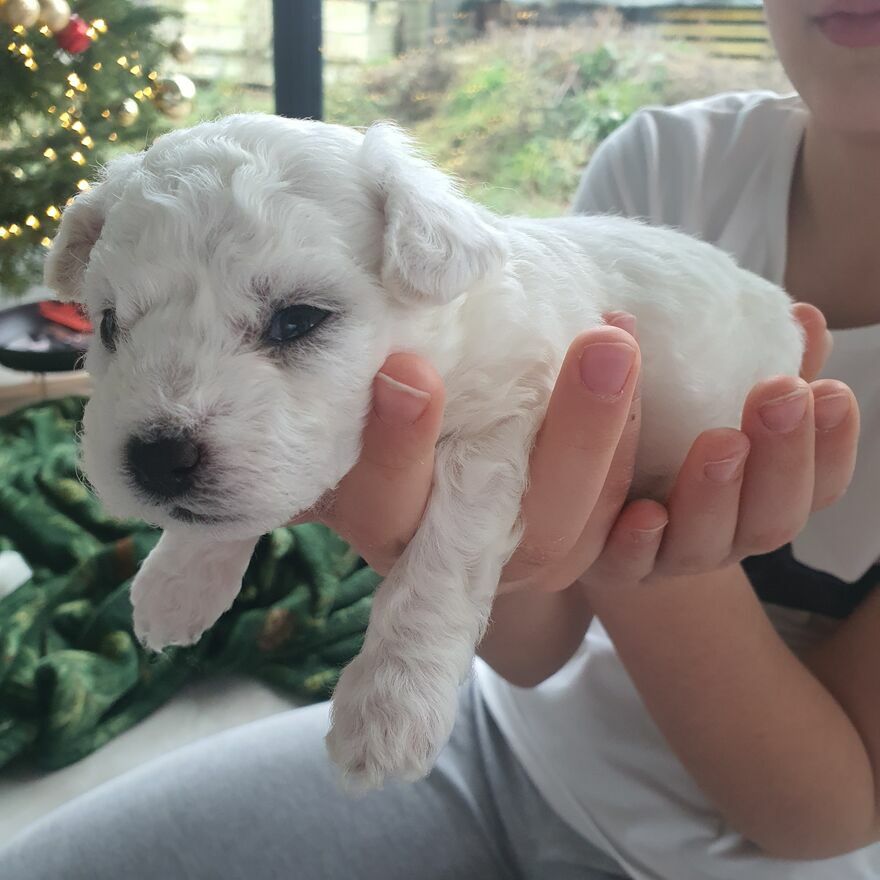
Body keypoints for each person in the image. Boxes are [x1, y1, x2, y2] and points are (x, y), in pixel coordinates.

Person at [1, 1, 878, 876]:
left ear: (422, 254)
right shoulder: (660, 159)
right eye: (115, 323)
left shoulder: (488, 312)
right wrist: (208, 538)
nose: (166, 420)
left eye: (294, 321)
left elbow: (830, 816)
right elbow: (532, 652)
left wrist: (418, 652)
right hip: (509, 735)